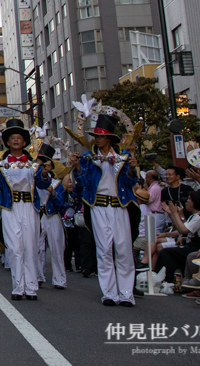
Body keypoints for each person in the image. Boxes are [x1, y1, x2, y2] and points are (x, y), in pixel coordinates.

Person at [69, 113, 139, 306]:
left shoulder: (124, 158)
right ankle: (109, 293)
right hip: (98, 206)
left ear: (110, 138)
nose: (97, 139)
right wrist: (78, 167)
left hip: (120, 207)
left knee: (124, 250)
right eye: (96, 136)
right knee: (104, 249)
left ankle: (126, 293)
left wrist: (132, 168)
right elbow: (82, 183)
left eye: (101, 136)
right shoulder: (88, 158)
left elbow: (130, 181)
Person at [0, 119, 50, 301]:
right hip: (10, 207)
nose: (15, 140)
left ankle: (31, 287)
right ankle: (18, 286)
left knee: (30, 246)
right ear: (7, 142)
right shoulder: (0, 162)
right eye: (12, 138)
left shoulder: (34, 162)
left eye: (19, 137)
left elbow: (43, 183)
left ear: (24, 142)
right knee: (14, 248)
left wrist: (45, 173)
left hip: (29, 206)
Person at [155, 189, 200, 284]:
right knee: (167, 252)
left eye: (189, 199)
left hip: (197, 247)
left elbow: (183, 230)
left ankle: (166, 281)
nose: (186, 201)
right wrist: (172, 214)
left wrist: (175, 214)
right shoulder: (195, 216)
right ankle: (163, 279)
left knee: (166, 253)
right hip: (192, 244)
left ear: (196, 202)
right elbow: (183, 227)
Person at [35, 147, 69, 290]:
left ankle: (59, 279)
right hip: (38, 215)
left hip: (53, 215)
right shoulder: (34, 180)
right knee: (37, 248)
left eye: (42, 163)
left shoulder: (56, 182)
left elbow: (61, 202)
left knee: (56, 248)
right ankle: (38, 276)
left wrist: (53, 193)